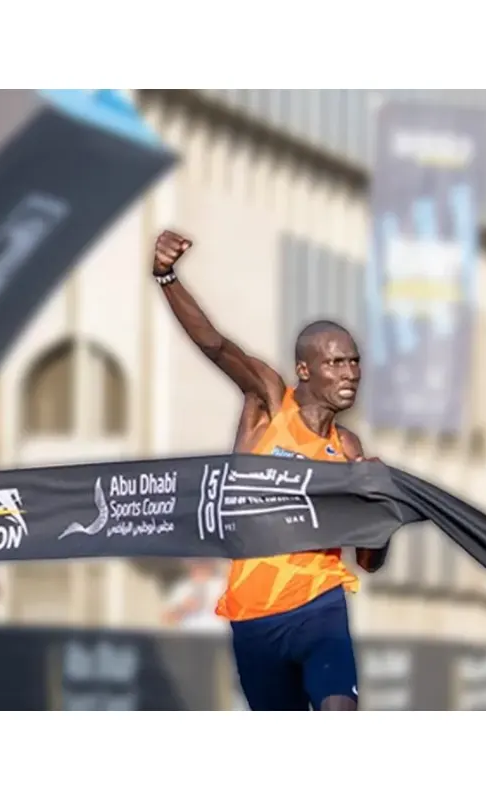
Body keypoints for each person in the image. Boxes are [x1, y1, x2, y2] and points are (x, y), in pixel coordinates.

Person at [152, 229, 390, 711]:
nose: (350, 373)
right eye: (336, 363)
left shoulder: (348, 448)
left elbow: (369, 560)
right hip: (254, 615)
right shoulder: (268, 403)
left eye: (354, 362)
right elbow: (216, 346)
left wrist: (380, 505)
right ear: (305, 370)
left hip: (320, 606)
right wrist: (166, 276)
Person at [161, 560, 227, 633]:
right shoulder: (183, 587)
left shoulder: (222, 584)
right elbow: (166, 618)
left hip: (218, 634)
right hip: (189, 635)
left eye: (203, 565)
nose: (200, 568)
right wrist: (183, 608)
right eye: (196, 565)